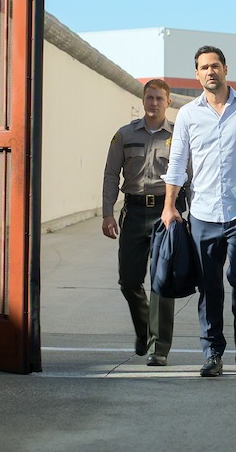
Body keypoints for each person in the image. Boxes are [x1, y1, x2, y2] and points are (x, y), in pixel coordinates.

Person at [161, 45, 236, 377]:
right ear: (197, 75)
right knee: (209, 286)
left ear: (226, 69)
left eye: (215, 66)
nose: (210, 71)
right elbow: (177, 164)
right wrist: (169, 206)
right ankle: (213, 353)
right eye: (204, 67)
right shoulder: (187, 114)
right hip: (203, 215)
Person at [102, 79, 180, 367]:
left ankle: (160, 348)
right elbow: (111, 174)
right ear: (143, 99)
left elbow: (190, 177)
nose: (154, 103)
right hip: (133, 213)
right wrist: (107, 212)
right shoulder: (124, 134)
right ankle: (144, 330)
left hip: (165, 213)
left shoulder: (179, 136)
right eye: (150, 97)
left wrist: (191, 216)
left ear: (168, 102)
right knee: (129, 281)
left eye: (160, 98)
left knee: (162, 282)